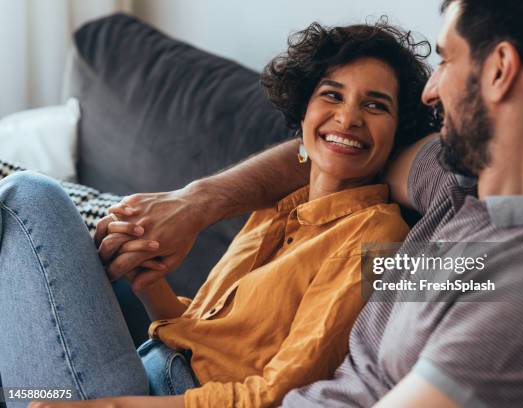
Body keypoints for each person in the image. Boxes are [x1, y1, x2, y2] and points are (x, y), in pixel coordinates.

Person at [95, 0, 523, 407]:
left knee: (29, 204)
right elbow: (336, 153)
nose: (431, 91)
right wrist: (199, 203)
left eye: (447, 58)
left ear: (499, 69)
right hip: (179, 368)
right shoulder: (453, 187)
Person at [0, 21, 439, 408]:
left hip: (165, 397)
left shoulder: (375, 236)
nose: (347, 117)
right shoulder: (277, 204)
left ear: (399, 132)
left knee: (28, 198)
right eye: (332, 95)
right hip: (146, 368)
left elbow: (276, 393)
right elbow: (208, 336)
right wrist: (149, 282)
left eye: (375, 105)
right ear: (304, 110)